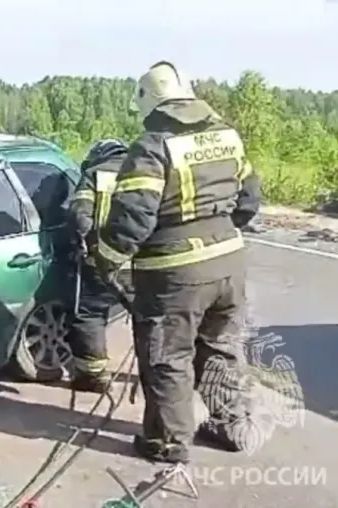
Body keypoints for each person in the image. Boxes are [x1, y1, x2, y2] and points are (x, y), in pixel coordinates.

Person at [94, 61, 261, 463]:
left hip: (175, 274)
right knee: (221, 349)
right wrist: (219, 230)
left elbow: (134, 215)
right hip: (228, 263)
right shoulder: (227, 136)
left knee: (168, 356)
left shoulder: (153, 145)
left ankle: (168, 442)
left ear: (151, 105)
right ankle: (230, 423)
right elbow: (250, 198)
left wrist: (107, 259)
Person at [66, 138, 131, 393]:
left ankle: (93, 377)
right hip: (144, 263)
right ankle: (158, 378)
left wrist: (84, 244)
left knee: (90, 314)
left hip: (102, 260)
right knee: (150, 320)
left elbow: (79, 216)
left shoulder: (96, 175)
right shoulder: (147, 168)